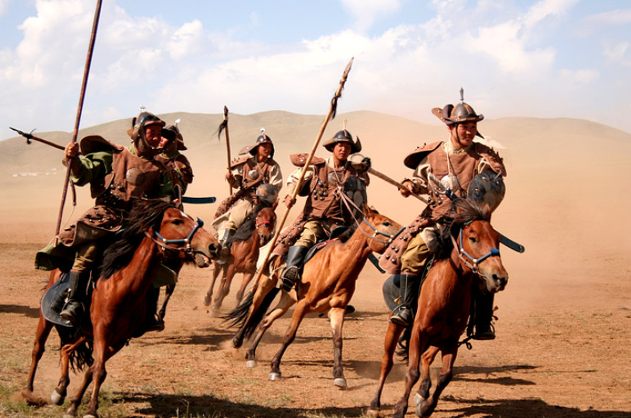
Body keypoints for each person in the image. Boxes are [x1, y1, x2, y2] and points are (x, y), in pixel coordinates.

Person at [35, 110, 181, 332]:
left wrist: (170, 205)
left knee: (152, 262)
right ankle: (74, 302)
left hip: (136, 224)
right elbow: (83, 174)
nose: (156, 137)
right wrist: (73, 159)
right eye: (152, 132)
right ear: (139, 134)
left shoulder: (160, 169)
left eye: (159, 133)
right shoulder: (113, 155)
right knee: (89, 251)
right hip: (105, 217)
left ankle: (148, 314)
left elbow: (165, 199)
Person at [380, 90, 506, 339]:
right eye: (465, 127)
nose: (469, 131)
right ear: (451, 128)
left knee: (488, 263)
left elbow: (493, 184)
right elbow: (419, 180)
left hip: (469, 225)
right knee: (413, 254)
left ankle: (482, 321)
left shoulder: (482, 156)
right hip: (437, 220)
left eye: (473, 127)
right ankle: (406, 309)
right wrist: (410, 185)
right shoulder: (434, 154)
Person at [272, 128, 370, 292]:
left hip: (340, 223)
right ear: (333, 147)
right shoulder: (318, 166)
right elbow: (296, 179)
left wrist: (364, 169)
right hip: (314, 218)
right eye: (340, 145)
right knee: (307, 237)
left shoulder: (354, 171)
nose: (343, 149)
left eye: (347, 147)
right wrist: (290, 194)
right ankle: (291, 271)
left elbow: (362, 190)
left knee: (351, 251)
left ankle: (339, 289)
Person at [212, 129, 283, 258]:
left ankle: (268, 254)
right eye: (264, 146)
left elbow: (276, 186)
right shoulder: (245, 163)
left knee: (269, 225)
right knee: (234, 220)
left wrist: (265, 195)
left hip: (264, 202)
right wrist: (230, 178)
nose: (267, 149)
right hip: (247, 199)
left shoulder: (273, 166)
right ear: (257, 148)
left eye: (269, 147)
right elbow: (236, 184)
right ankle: (226, 247)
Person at [157, 119, 194, 197]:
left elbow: (181, 190)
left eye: (166, 136)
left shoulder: (180, 160)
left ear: (173, 141)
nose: (161, 139)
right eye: (161, 135)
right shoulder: (153, 156)